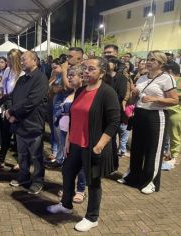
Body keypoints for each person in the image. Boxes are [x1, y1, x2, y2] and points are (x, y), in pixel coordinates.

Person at [47, 57, 120, 232]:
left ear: (102, 72)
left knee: (93, 182)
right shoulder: (80, 91)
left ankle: (91, 217)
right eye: (85, 69)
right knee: (67, 172)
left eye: (91, 69)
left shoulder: (106, 92)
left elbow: (114, 122)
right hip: (75, 143)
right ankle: (66, 204)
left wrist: (100, 145)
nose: (86, 72)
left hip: (93, 146)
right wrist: (67, 140)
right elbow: (73, 118)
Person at [118, 51, 179, 194]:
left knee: (153, 150)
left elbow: (174, 100)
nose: (148, 62)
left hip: (156, 116)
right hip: (140, 114)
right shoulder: (142, 77)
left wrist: (155, 99)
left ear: (161, 63)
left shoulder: (167, 78)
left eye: (153, 60)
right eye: (148, 59)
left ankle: (150, 182)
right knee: (137, 148)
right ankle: (133, 177)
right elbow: (135, 100)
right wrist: (133, 96)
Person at [7, 51, 49, 195]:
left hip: (33, 124)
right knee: (22, 154)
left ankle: (38, 181)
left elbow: (31, 102)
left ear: (35, 61)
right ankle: (24, 176)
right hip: (20, 124)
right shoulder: (22, 79)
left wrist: (13, 112)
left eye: (24, 59)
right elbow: (14, 97)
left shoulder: (41, 78)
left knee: (36, 157)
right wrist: (11, 110)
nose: (22, 62)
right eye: (21, 60)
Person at [55, 65, 86, 203]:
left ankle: (80, 190)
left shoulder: (84, 93)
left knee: (79, 164)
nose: (69, 77)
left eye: (73, 75)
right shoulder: (70, 93)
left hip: (76, 134)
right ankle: (68, 188)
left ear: (81, 77)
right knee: (66, 163)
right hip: (63, 132)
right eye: (69, 75)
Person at [0, 49, 24, 169]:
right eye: (8, 59)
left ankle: (21, 162)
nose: (8, 61)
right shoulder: (8, 71)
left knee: (18, 137)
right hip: (7, 105)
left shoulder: (23, 73)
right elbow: (2, 86)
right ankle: (1, 160)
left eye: (10, 59)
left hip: (18, 107)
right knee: (5, 134)